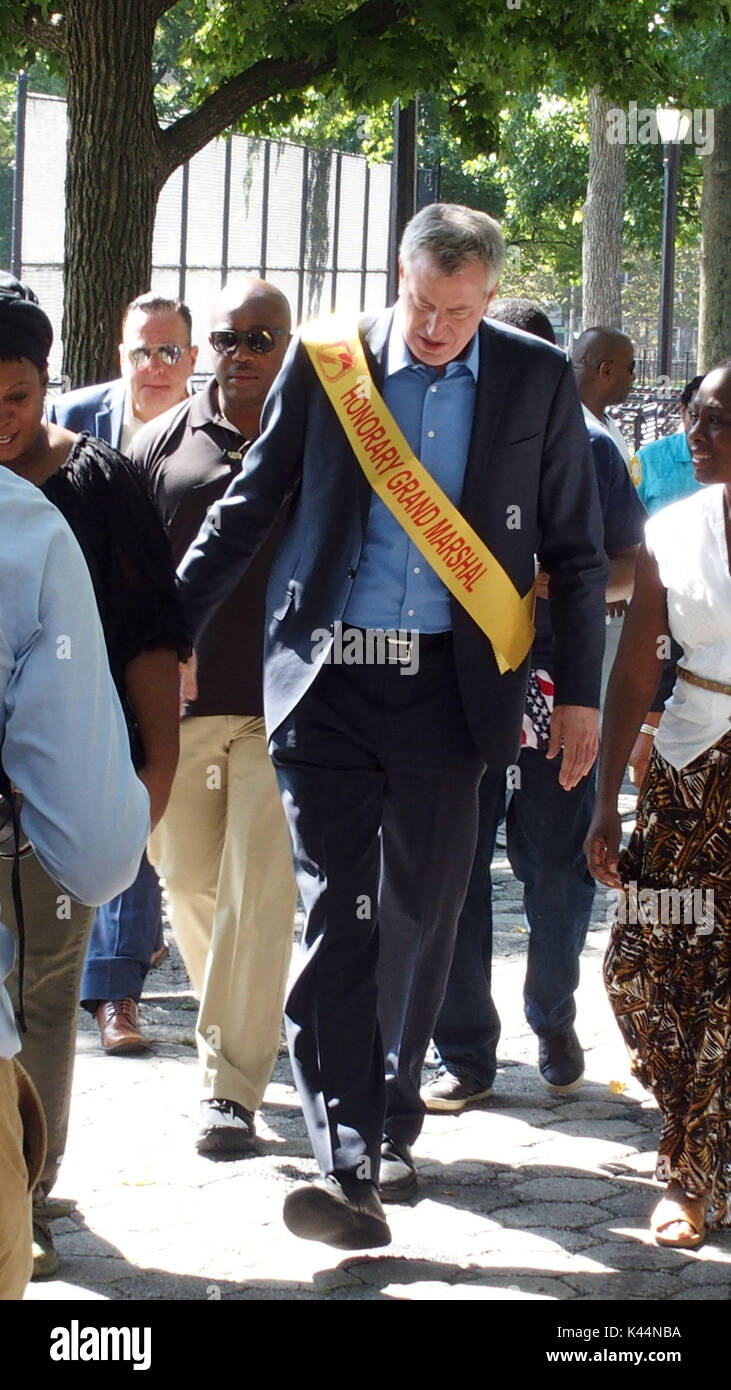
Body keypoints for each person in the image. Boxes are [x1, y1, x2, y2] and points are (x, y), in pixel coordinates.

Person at [177, 203, 608, 1250]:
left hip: (450, 688)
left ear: (488, 299)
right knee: (338, 905)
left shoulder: (531, 379)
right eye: (422, 305)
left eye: (458, 313)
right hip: (328, 677)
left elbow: (576, 549)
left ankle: (390, 1112)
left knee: (416, 908)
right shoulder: (330, 364)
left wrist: (584, 691)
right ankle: (344, 1153)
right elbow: (248, 504)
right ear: (397, 279)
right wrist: (167, 621)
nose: (435, 330)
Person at [0, 273, 188, 1276]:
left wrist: (154, 773)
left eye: (17, 399)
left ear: (46, 385)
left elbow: (150, 642)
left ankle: (28, 1186)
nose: (1, 420)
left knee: (41, 992)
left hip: (69, 789)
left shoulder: (99, 484)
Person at [426, 301, 647, 1111]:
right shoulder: (434, 437)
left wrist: (564, 582)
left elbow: (629, 566)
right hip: (457, 680)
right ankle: (464, 1053)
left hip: (559, 685)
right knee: (453, 866)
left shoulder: (589, 449)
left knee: (555, 863)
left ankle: (551, 1016)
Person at [131, 277, 297, 1155]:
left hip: (289, 706)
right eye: (228, 341)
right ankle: (248, 1022)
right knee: (189, 881)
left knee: (257, 894)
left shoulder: (324, 435)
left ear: (290, 344)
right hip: (187, 709)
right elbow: (130, 572)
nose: (242, 357)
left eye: (260, 340)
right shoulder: (162, 441)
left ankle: (228, 1086)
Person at [586, 360, 731, 1249]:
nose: (694, 433)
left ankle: (689, 1169)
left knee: (722, 988)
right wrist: (606, 802)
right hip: (686, 773)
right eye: (696, 415)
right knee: (641, 967)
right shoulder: (669, 531)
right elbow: (635, 669)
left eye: (716, 420)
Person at [0, 464, 150, 1300]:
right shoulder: (21, 528)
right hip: (45, 815)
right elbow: (97, 848)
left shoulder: (97, 483)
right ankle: (32, 1201)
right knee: (46, 998)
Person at [48, 294, 197, 1053]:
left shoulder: (208, 436)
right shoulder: (69, 421)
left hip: (152, 643)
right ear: (119, 354)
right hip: (68, 641)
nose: (155, 367)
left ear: (191, 359)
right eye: (142, 351)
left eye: (170, 352)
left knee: (137, 796)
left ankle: (117, 992)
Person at [634, 375, 704, 516]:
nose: (701, 429)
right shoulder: (646, 460)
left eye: (715, 419)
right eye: (695, 417)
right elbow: (625, 521)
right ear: (683, 411)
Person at [572, 327, 637, 470]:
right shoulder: (573, 434)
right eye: (630, 368)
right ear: (606, 371)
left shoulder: (605, 422)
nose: (634, 377)